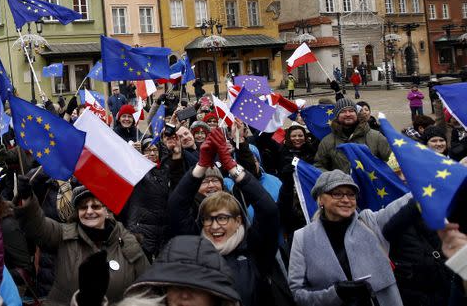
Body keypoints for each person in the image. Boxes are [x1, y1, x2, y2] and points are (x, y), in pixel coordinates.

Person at [169, 129, 290, 306]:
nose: (215, 226)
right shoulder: (195, 246)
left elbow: (269, 210)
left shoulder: (254, 250)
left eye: (223, 218)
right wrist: (201, 165)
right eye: (208, 219)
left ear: (238, 220)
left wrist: (232, 167)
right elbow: (175, 206)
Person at [288, 170, 411, 306]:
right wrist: (335, 293)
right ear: (321, 199)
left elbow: (401, 206)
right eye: (337, 194)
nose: (346, 200)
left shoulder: (370, 222)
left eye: (351, 195)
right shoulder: (302, 238)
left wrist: (429, 186)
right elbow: (297, 293)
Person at [16, 182, 149, 306]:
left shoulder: (128, 241)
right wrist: (28, 199)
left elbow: (148, 287)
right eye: (83, 207)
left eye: (95, 206)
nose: (89, 211)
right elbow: (38, 227)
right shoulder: (64, 234)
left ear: (106, 211)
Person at [314, 98, 392, 172]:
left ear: (356, 114)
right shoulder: (327, 141)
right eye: (343, 111)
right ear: (337, 116)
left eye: (351, 111)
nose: (348, 114)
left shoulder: (376, 137)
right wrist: (334, 179)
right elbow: (318, 166)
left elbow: (392, 160)